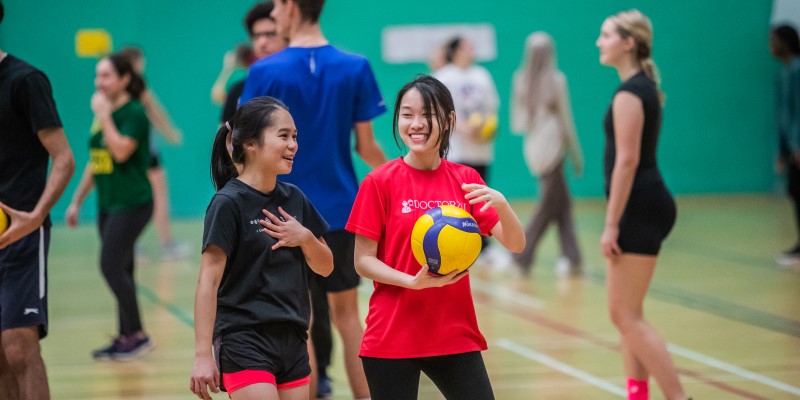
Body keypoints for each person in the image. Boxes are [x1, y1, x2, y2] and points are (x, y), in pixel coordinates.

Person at [240, 1, 387, 398]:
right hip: (342, 211)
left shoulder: (264, 71)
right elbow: (367, 147)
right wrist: (400, 180)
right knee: (348, 318)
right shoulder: (355, 66)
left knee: (297, 321)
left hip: (281, 216)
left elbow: (244, 148)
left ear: (289, 6)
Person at [346, 75, 525, 400]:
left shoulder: (466, 180)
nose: (416, 123)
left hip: (454, 333)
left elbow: (515, 244)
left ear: (449, 120)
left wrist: (503, 204)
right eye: (407, 114)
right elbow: (362, 261)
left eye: (427, 114)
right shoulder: (379, 181)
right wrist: (412, 282)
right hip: (392, 333)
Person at [190, 96, 333, 400]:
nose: (293, 144)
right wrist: (202, 354)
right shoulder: (228, 203)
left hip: (293, 340)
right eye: (283, 136)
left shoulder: (294, 197)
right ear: (251, 144)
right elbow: (208, 282)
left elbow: (326, 266)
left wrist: (304, 237)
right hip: (244, 340)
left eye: (295, 137)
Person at [596, 10, 691, 400]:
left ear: (628, 43)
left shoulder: (631, 93)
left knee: (624, 315)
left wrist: (611, 223)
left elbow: (628, 160)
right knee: (627, 315)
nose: (599, 42)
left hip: (638, 208)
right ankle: (638, 396)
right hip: (646, 204)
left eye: (605, 35)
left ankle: (678, 397)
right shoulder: (641, 87)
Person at [0, 2, 76, 397]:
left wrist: (35, 216)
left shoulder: (25, 80)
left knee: (17, 344)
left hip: (22, 234)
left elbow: (63, 158)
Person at [66, 53, 155, 361]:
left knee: (110, 265)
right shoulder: (104, 112)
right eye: (97, 75)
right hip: (108, 202)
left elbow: (119, 152)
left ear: (124, 79)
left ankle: (139, 335)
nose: (98, 82)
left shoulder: (133, 113)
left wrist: (104, 115)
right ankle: (126, 336)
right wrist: (77, 200)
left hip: (133, 203)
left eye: (105, 76)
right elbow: (97, 161)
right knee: (124, 268)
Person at [510, 32, 584, 277]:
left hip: (533, 147)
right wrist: (576, 154)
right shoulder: (556, 80)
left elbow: (517, 124)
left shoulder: (520, 79)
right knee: (548, 206)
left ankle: (572, 257)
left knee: (562, 204)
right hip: (552, 146)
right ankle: (521, 253)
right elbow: (566, 120)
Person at [117, 46, 190, 261]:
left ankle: (132, 244)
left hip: (127, 150)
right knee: (159, 195)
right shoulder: (137, 85)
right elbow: (155, 110)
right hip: (144, 151)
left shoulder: (117, 90)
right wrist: (171, 134)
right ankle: (167, 245)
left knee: (131, 197)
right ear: (135, 62)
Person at [434, 36, 501, 264]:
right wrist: (461, 127)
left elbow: (492, 108)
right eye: (466, 47)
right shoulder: (445, 76)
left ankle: (485, 245)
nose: (471, 50)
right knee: (459, 200)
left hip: (481, 149)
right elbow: (438, 111)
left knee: (482, 198)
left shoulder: (482, 75)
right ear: (455, 51)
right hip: (457, 150)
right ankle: (459, 242)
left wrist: (487, 128)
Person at [216, 1, 288, 125]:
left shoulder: (304, 86)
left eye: (270, 34)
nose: (262, 42)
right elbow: (223, 141)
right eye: (256, 36)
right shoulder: (238, 91)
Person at [769, 24, 800, 267]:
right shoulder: (785, 72)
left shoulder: (797, 71)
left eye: (774, 40)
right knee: (795, 193)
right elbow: (784, 116)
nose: (771, 45)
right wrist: (782, 150)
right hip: (791, 148)